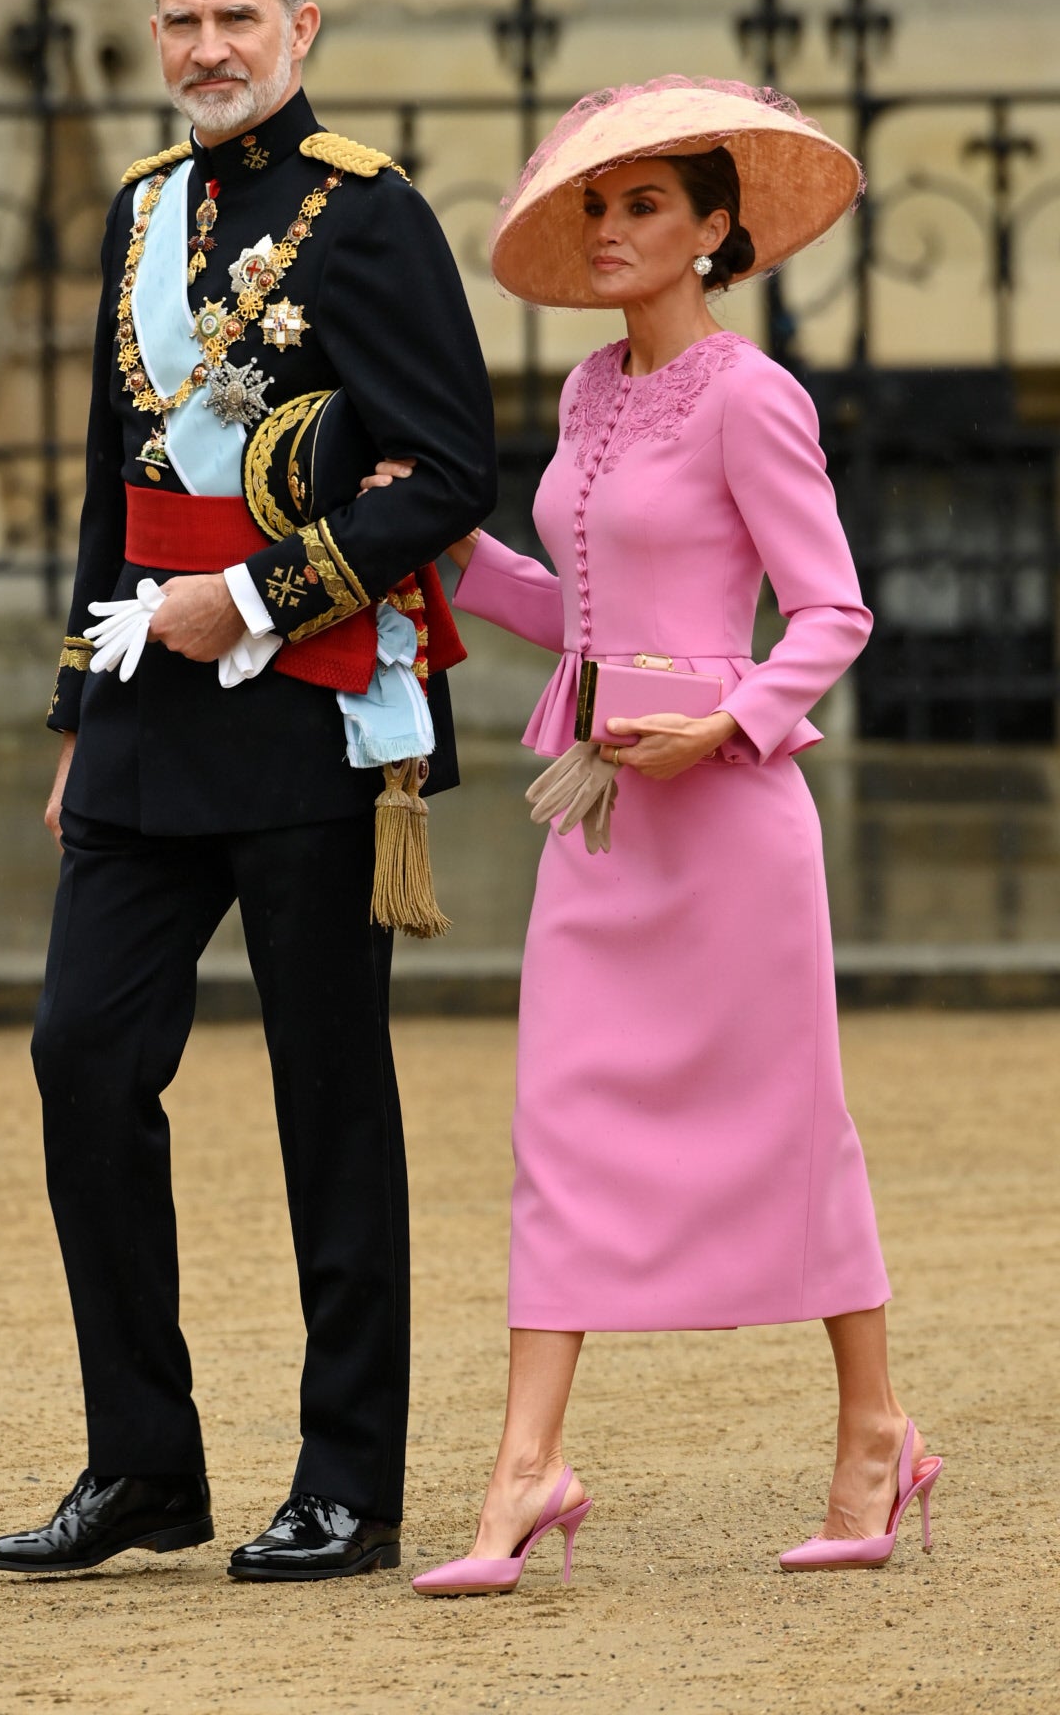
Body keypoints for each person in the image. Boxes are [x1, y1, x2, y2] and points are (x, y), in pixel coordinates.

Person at [364, 77, 942, 1594]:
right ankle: (525, 1471)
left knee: (795, 1127)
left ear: (712, 233)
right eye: (596, 209)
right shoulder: (583, 397)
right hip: (602, 822)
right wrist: (451, 551)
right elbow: (584, 614)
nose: (611, 232)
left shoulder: (754, 393)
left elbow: (833, 611)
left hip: (734, 824)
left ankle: (876, 1431)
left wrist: (735, 720)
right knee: (558, 1129)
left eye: (643, 208)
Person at [0, 0, 495, 1583]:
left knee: (327, 1100)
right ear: (156, 37)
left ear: (302, 25)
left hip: (312, 715)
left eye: (240, 22)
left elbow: (444, 471)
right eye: (183, 23)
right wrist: (77, 711)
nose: (211, 50)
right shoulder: (137, 210)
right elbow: (108, 495)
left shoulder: (373, 216)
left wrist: (261, 598)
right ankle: (145, 1467)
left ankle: (347, 1482)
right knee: (80, 1059)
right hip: (144, 724)